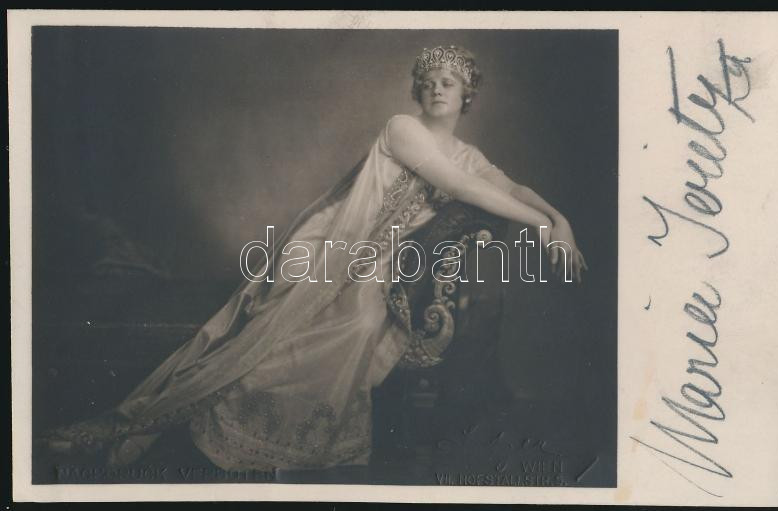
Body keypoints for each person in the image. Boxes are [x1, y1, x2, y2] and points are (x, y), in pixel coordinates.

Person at [43, 45, 588, 471]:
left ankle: (270, 434)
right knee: (319, 325)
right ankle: (170, 422)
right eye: (427, 81)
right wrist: (542, 227)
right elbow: (460, 187)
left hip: (379, 263)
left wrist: (558, 219)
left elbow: (508, 187)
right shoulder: (403, 128)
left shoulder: (470, 154)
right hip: (330, 248)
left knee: (360, 321)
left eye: (448, 82)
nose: (435, 89)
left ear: (467, 94)